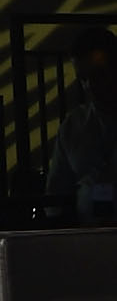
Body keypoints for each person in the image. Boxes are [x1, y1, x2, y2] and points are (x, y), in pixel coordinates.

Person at [46, 29, 117, 222]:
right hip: (86, 239)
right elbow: (55, 196)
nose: (90, 85)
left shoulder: (76, 124)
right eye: (83, 79)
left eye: (99, 75)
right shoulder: (73, 124)